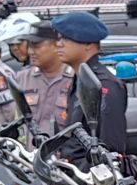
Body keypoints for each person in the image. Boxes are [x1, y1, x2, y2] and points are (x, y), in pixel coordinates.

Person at [53, 11, 128, 157]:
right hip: (73, 176)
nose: (59, 44)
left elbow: (110, 148)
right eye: (59, 38)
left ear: (88, 44)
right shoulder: (80, 79)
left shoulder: (104, 85)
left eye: (67, 38)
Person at [16, 21, 73, 137]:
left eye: (36, 46)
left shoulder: (74, 79)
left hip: (62, 154)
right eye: (29, 46)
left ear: (56, 45)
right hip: (30, 153)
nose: (30, 52)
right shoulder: (22, 78)